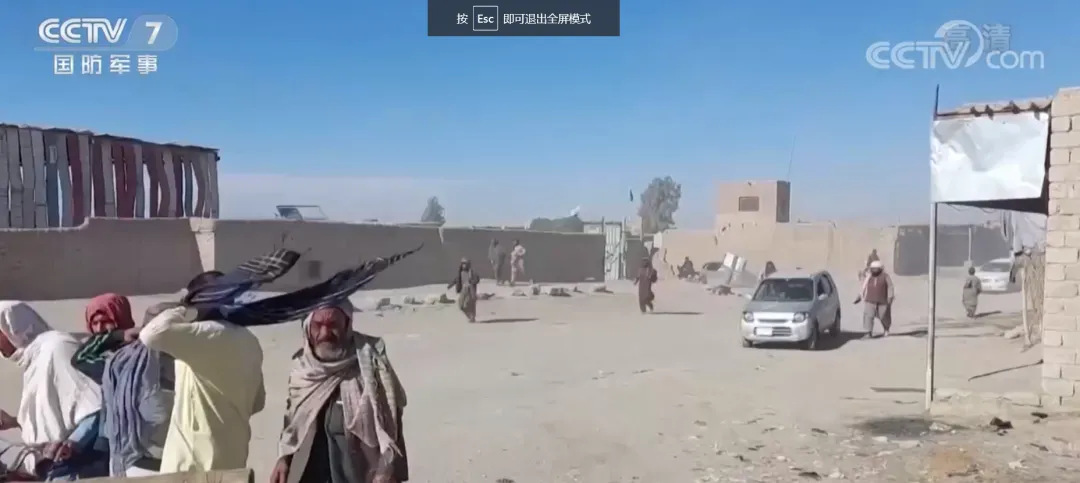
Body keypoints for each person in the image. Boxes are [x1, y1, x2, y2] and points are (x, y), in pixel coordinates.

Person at [271, 300, 408, 483]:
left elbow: (391, 421)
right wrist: (283, 458)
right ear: (307, 328)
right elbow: (292, 421)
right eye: (318, 325)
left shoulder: (370, 361)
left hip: (359, 474)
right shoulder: (302, 369)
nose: (325, 333)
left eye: (333, 325)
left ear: (347, 324)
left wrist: (388, 468)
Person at [137, 289, 266, 472]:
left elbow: (151, 334)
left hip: (192, 464)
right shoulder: (249, 340)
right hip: (232, 460)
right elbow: (258, 403)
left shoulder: (207, 333)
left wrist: (186, 309)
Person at [0, 301, 105, 478]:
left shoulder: (57, 347)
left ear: (11, 327)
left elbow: (95, 404)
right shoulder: (35, 358)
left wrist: (72, 445)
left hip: (76, 466)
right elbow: (54, 418)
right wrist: (14, 421)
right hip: (50, 467)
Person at [855, 260, 894, 338]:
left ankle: (886, 328)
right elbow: (863, 286)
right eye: (873, 269)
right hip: (870, 300)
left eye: (876, 269)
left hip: (883, 300)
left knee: (883, 316)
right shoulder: (869, 277)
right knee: (868, 316)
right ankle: (868, 332)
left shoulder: (885, 276)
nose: (874, 270)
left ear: (880, 269)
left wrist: (890, 297)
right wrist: (860, 295)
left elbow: (890, 287)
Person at [448, 258, 481, 323]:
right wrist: (451, 285)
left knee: (468, 304)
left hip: (470, 290)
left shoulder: (472, 272)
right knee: (461, 305)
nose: (464, 265)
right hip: (463, 290)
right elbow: (457, 279)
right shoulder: (460, 272)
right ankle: (470, 316)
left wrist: (472, 281)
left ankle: (472, 317)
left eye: (465, 264)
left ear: (468, 264)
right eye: (463, 264)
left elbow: (477, 279)